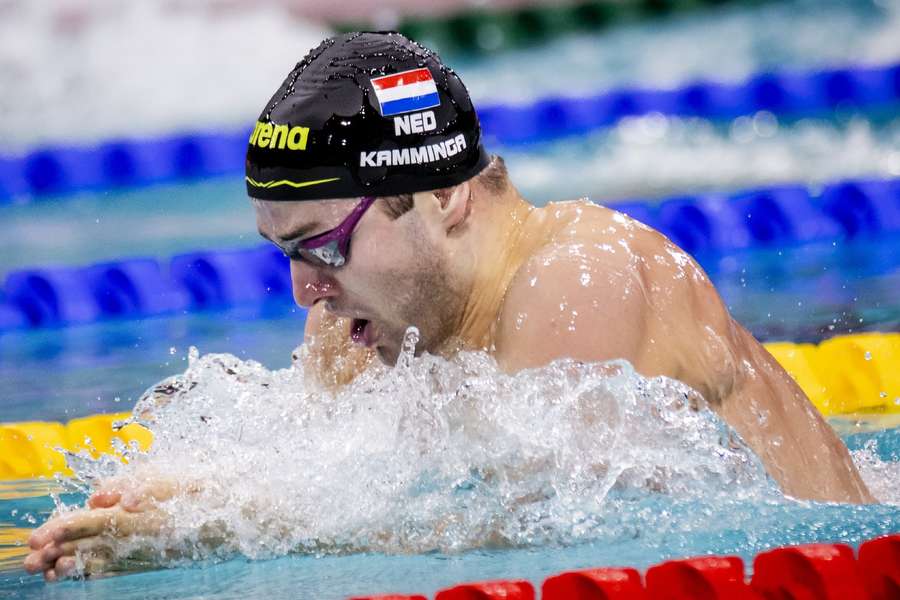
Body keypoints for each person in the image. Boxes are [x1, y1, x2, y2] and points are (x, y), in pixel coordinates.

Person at [24, 31, 873, 582]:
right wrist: (159, 501)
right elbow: (328, 481)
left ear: (446, 198)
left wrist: (212, 531)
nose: (306, 290)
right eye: (286, 255)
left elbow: (548, 523)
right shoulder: (360, 323)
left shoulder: (579, 278)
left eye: (325, 244)